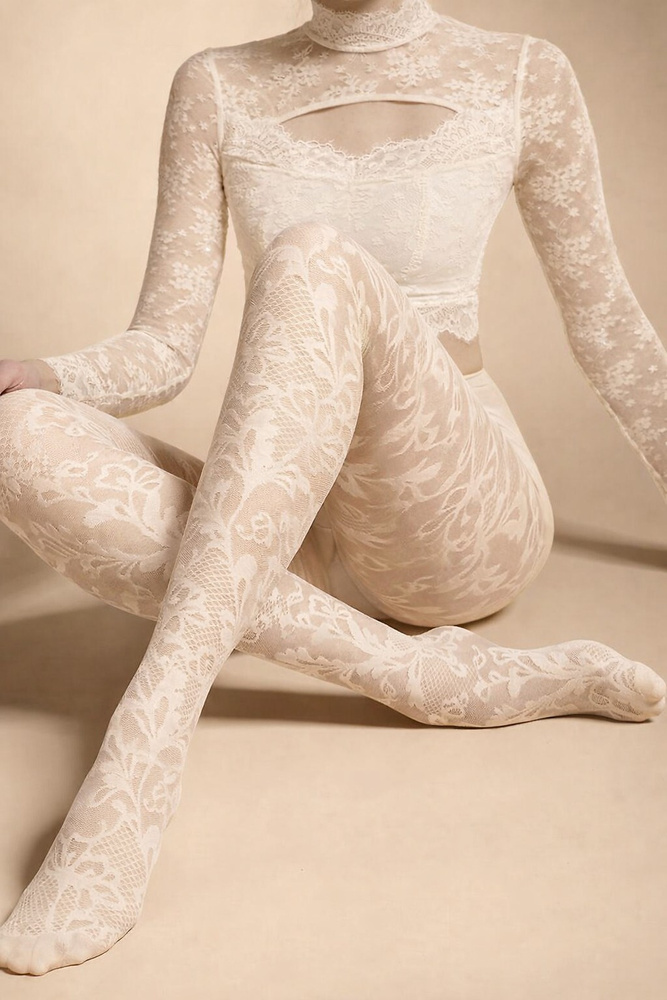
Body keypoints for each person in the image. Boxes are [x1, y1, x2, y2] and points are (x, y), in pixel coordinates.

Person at [0, 0, 665, 976]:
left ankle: (144, 743)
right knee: (13, 434)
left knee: (312, 256)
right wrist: (48, 375)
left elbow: (610, 331)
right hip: (285, 529)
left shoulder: (522, 71)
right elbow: (167, 347)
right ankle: (419, 677)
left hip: (456, 518)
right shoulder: (214, 83)